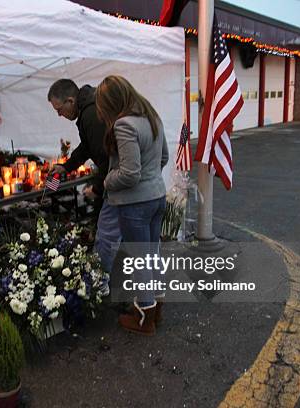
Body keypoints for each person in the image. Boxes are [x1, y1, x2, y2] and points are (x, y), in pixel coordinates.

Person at [95, 75, 169, 336]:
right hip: (156, 198)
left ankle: (144, 319)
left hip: (135, 204)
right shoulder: (151, 117)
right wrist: (151, 183)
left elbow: (129, 173)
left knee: (140, 262)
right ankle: (156, 310)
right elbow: (164, 157)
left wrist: (106, 181)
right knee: (152, 256)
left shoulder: (124, 125)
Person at [47, 79, 121, 275]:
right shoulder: (88, 108)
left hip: (115, 182)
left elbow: (106, 158)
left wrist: (97, 188)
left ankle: (103, 281)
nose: (59, 115)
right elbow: (87, 146)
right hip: (114, 180)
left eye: (59, 109)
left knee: (105, 235)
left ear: (71, 101)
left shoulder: (90, 114)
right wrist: (66, 167)